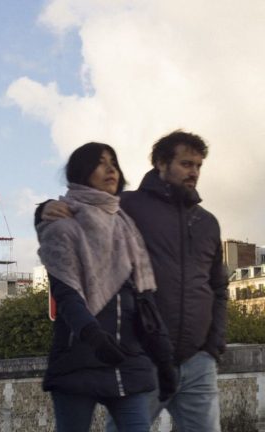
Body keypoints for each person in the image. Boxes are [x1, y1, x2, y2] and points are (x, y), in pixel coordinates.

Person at [39, 131, 228, 431]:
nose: (194, 172)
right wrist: (44, 208)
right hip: (142, 354)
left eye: (198, 165)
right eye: (185, 163)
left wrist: (213, 346)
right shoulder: (127, 206)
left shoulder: (207, 222)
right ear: (161, 164)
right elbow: (83, 208)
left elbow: (219, 287)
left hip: (194, 360)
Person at [37, 142, 176, 432]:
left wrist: (164, 360)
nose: (111, 168)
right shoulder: (62, 225)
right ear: (81, 172)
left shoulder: (126, 227)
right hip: (80, 358)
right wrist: (94, 337)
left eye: (114, 161)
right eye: (100, 162)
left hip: (128, 360)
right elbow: (66, 294)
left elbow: (145, 300)